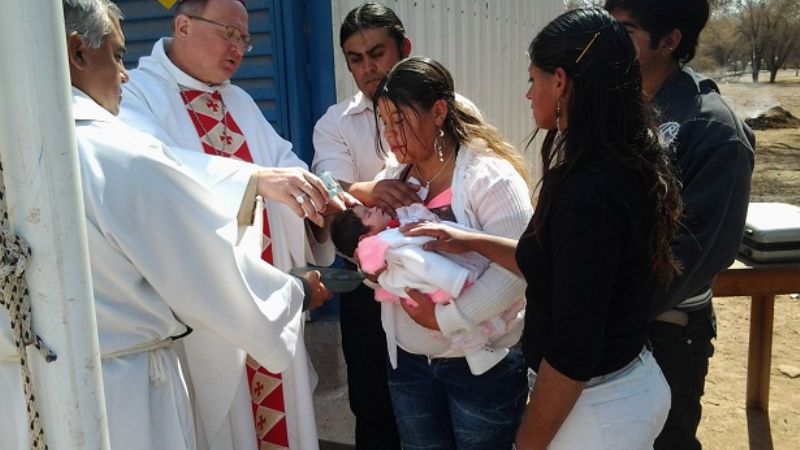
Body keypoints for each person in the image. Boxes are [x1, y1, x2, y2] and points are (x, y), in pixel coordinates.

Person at [0, 1, 337, 448]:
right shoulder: (121, 133)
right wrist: (295, 293)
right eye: (117, 55)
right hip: (122, 388)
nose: (123, 73)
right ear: (78, 54)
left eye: (245, 38)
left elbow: (282, 166)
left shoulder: (18, 143)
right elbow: (190, 243)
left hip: (20, 386)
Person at [406, 8, 685, 449]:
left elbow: (573, 352)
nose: (528, 94)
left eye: (533, 80)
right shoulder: (620, 156)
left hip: (595, 409)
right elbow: (555, 260)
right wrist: (470, 240)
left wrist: (527, 443)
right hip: (627, 384)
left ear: (560, 82)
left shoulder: (590, 193)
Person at [117, 0, 333, 448]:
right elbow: (150, 175)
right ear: (183, 25)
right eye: (228, 33)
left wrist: (324, 201)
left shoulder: (238, 98)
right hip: (208, 315)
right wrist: (252, 181)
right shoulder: (136, 93)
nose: (239, 48)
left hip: (266, 300)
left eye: (245, 38)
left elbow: (284, 164)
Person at [604, 1, 755, 448]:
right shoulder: (616, 106)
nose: (607, 45)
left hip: (665, 332)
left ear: (670, 41)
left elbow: (693, 254)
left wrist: (604, 314)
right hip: (606, 319)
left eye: (624, 32)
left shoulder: (714, 130)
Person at [365, 56, 532, 449]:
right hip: (410, 364)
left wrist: (448, 318)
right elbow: (371, 249)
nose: (391, 134)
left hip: (484, 368)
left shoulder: (489, 178)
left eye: (400, 120)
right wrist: (374, 266)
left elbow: (517, 270)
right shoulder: (392, 180)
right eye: (385, 123)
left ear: (439, 111)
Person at [331, 203, 524, 375]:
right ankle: (478, 353)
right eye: (367, 213)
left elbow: (520, 262)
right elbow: (421, 264)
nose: (374, 207)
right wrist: (454, 280)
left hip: (459, 337)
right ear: (366, 239)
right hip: (417, 350)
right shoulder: (391, 239)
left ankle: (478, 354)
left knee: (472, 336)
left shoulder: (485, 178)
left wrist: (447, 317)